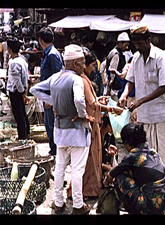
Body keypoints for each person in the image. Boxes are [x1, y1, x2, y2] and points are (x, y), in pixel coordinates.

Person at [118, 23, 165, 193]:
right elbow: (130, 81)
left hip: (164, 108)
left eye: (141, 44)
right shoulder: (136, 59)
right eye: (136, 44)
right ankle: (155, 175)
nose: (138, 47)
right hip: (147, 112)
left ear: (149, 40)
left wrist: (139, 101)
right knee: (150, 147)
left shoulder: (161, 57)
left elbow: (163, 87)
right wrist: (125, 94)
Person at [30, 44, 91, 215]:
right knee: (77, 170)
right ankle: (78, 206)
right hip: (77, 131)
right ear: (74, 64)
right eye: (81, 63)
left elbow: (34, 89)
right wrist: (82, 114)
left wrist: (53, 101)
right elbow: (79, 100)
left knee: (60, 168)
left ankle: (58, 203)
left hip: (60, 132)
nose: (84, 66)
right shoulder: (76, 80)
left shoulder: (55, 77)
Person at [66, 48, 123, 200]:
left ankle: (87, 189)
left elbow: (91, 102)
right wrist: (110, 108)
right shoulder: (82, 80)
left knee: (89, 159)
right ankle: (86, 190)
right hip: (89, 124)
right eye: (91, 66)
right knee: (88, 160)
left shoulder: (82, 78)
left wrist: (98, 101)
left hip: (89, 122)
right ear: (84, 65)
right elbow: (89, 103)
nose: (93, 69)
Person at [103, 123, 165, 215]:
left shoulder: (133, 156)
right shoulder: (153, 152)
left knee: (120, 177)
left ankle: (134, 211)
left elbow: (112, 174)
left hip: (152, 207)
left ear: (127, 143)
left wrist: (105, 183)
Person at [37, 26, 63, 156]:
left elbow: (58, 77)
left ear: (41, 40)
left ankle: (56, 152)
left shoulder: (52, 55)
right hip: (47, 95)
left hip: (51, 97)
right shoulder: (50, 53)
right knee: (49, 125)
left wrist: (52, 99)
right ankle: (53, 150)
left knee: (52, 126)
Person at [6, 37, 30, 140]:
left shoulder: (14, 63)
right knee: (22, 114)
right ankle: (26, 133)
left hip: (16, 92)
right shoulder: (22, 59)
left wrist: (22, 93)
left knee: (19, 115)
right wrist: (25, 92)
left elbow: (17, 81)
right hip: (21, 90)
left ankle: (22, 137)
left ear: (10, 49)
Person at [106, 32, 130, 101]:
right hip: (116, 89)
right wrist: (109, 88)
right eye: (125, 45)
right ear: (120, 43)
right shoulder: (116, 54)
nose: (127, 47)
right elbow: (112, 72)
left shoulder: (114, 52)